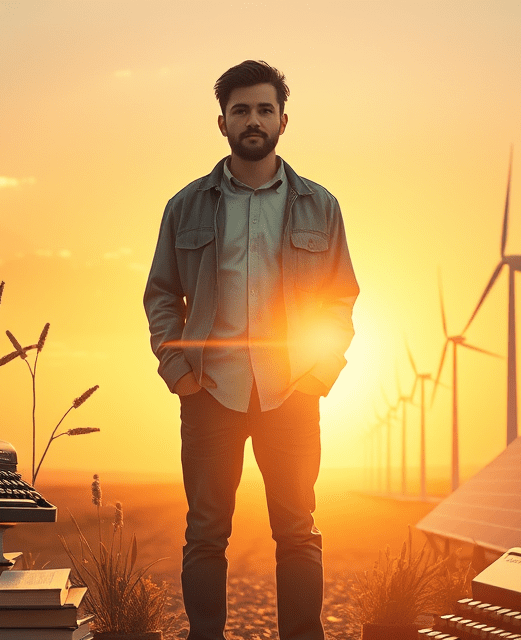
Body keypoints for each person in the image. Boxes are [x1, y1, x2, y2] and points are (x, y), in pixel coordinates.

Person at [143, 60, 358, 640]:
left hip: (291, 390)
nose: (254, 120)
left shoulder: (322, 206)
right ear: (222, 122)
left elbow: (341, 297)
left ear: (284, 120)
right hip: (211, 391)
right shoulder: (185, 206)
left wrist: (320, 372)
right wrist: (180, 371)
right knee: (207, 533)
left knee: (297, 531)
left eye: (265, 109)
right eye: (241, 110)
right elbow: (162, 295)